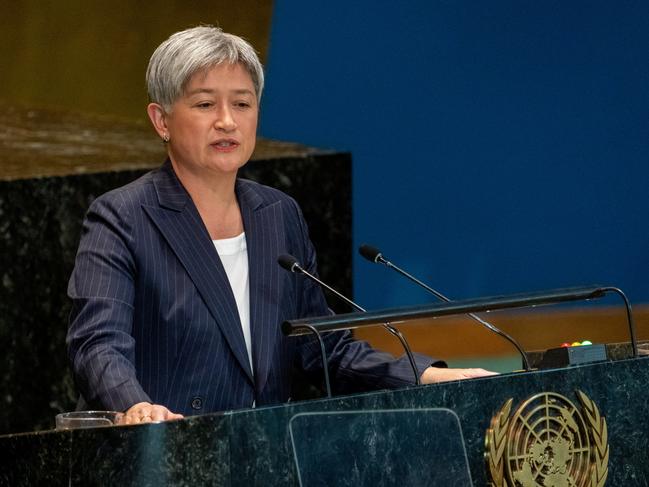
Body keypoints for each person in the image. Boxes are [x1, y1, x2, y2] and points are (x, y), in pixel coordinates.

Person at [66, 26, 495, 425]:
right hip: (166, 455)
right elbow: (98, 343)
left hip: (264, 453)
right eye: (204, 104)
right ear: (161, 120)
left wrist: (428, 376)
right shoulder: (124, 216)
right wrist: (135, 406)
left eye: (242, 103)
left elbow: (321, 347)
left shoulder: (277, 213)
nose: (227, 121)